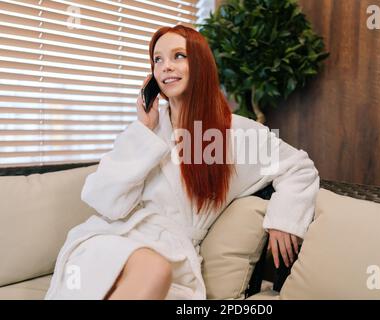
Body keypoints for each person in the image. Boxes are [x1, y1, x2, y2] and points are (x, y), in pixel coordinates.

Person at [45, 25, 319, 300]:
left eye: (178, 56)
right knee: (153, 270)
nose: (165, 67)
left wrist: (284, 220)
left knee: (156, 271)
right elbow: (105, 201)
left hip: (173, 259)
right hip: (109, 244)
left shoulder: (238, 133)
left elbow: (298, 166)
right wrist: (144, 131)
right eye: (158, 59)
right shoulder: (146, 130)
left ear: (200, 65)